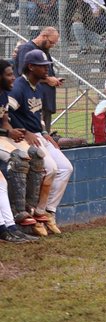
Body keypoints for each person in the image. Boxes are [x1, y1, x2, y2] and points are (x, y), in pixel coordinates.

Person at [9, 49, 72, 235]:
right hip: (24, 136)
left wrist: (45, 132)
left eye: (47, 66)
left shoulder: (37, 87)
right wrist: (26, 131)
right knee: (51, 168)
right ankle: (35, 213)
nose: (47, 69)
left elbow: (38, 114)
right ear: (30, 67)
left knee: (66, 168)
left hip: (39, 135)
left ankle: (47, 211)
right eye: (42, 66)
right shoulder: (18, 87)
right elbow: (8, 113)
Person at [0, 59, 46, 239]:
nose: (13, 78)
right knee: (18, 159)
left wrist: (13, 132)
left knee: (36, 155)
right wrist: (8, 132)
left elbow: (4, 121)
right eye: (9, 75)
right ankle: (16, 215)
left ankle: (29, 209)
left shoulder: (4, 94)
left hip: (3, 137)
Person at [15, 27, 63, 131]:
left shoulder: (44, 50)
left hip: (45, 100)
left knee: (45, 133)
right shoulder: (27, 48)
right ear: (44, 36)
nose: (52, 45)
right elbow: (23, 74)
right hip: (33, 101)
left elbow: (47, 73)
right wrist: (48, 80)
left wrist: (54, 79)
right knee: (36, 133)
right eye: (51, 42)